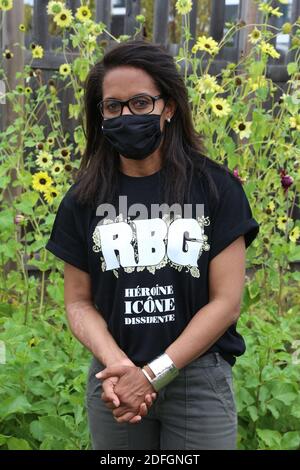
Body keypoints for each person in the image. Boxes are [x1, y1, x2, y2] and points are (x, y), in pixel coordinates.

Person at [46, 39, 260, 450]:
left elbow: (226, 302)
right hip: (114, 382)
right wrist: (122, 368)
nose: (126, 115)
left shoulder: (215, 189)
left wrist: (152, 373)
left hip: (197, 380)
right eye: (113, 107)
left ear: (169, 106)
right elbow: (77, 302)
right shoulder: (83, 200)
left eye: (141, 103)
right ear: (101, 114)